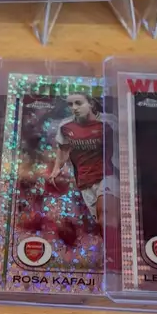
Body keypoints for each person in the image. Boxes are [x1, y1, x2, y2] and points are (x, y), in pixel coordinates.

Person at [50, 93, 117, 233]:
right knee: (101, 224)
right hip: (84, 181)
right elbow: (63, 149)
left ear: (91, 104)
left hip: (107, 175)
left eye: (78, 103)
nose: (74, 107)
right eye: (70, 104)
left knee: (106, 217)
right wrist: (56, 169)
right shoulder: (65, 126)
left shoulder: (109, 122)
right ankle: (113, 246)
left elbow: (124, 145)